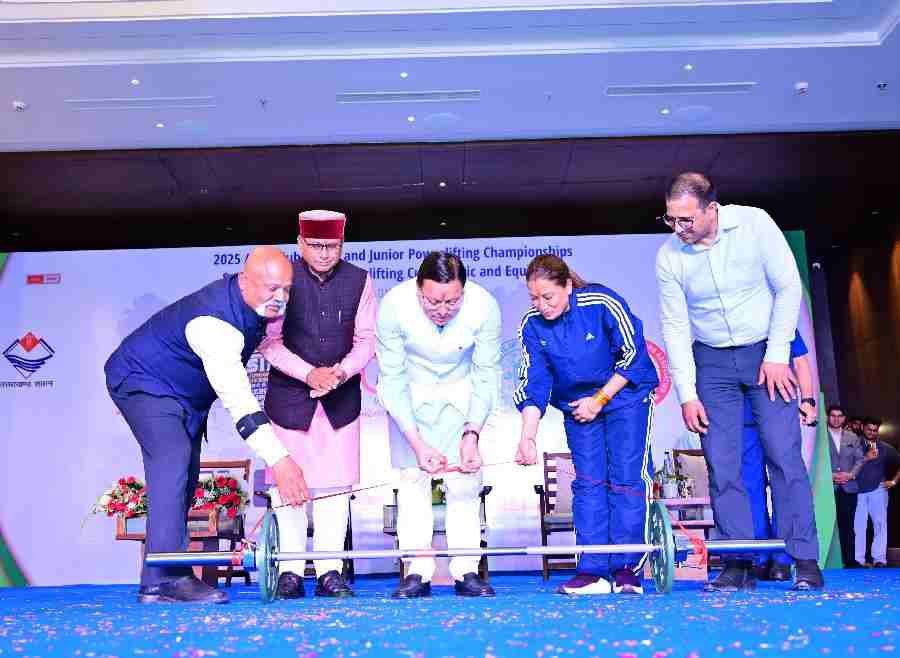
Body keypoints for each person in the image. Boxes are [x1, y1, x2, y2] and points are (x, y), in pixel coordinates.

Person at [105, 246, 308, 604]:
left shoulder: (251, 308)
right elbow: (240, 402)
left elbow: (266, 347)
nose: (280, 298)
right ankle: (168, 580)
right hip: (144, 380)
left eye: (286, 290)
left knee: (183, 475)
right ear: (244, 281)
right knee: (173, 461)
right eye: (271, 288)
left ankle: (157, 579)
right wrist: (280, 460)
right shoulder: (215, 325)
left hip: (180, 393)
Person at [655, 172, 823, 591]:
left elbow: (787, 288)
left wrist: (778, 354)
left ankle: (804, 560)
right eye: (671, 219)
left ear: (711, 209)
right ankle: (738, 562)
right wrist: (687, 394)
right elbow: (675, 326)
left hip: (766, 354)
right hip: (711, 363)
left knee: (783, 455)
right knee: (723, 463)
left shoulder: (755, 223)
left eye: (686, 219)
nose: (678, 228)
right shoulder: (669, 256)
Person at [514, 254, 659, 595]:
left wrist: (600, 399)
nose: (541, 305)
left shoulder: (601, 302)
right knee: (589, 483)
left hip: (625, 398)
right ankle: (592, 570)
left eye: (548, 297)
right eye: (534, 298)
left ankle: (625, 568)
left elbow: (634, 355)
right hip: (579, 407)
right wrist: (527, 438)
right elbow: (534, 382)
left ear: (567, 286)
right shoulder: (531, 326)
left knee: (625, 478)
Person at [259, 210, 376, 598]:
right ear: (300, 243)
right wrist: (309, 373)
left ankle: (329, 572)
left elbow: (367, 340)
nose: (325, 253)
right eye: (316, 245)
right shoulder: (283, 278)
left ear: (342, 244)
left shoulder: (360, 280)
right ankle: (289, 572)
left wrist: (341, 372)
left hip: (340, 401)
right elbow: (269, 343)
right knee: (288, 488)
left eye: (332, 246)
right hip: (289, 401)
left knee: (335, 490)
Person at [376, 252, 501, 598]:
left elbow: (487, 374)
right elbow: (392, 378)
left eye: (452, 301)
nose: (443, 309)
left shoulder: (484, 306)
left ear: (464, 291)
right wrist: (417, 443)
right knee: (412, 483)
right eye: (433, 301)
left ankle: (467, 571)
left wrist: (472, 432)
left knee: (465, 485)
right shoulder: (394, 305)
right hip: (410, 402)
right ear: (418, 290)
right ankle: (417, 572)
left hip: (462, 398)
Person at [742, 329, 816, 581]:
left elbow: (800, 360)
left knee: (785, 481)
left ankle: (784, 558)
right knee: (749, 487)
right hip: (741, 417)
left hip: (778, 408)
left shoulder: (778, 318)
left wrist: (808, 400)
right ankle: (759, 556)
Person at [850, 418, 900, 568]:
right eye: (869, 429)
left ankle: (879, 559)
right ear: (862, 427)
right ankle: (858, 560)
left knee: (880, 525)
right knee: (858, 527)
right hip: (857, 491)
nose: (872, 432)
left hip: (879, 489)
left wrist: (894, 481)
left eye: (875, 430)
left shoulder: (885, 448)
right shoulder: (853, 444)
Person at [827, 404, 864, 567]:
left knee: (848, 524)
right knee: (827, 524)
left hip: (848, 487)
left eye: (839, 416)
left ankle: (849, 560)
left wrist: (850, 475)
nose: (836, 419)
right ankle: (828, 560)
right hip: (827, 488)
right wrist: (829, 476)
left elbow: (860, 460)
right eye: (833, 415)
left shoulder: (852, 437)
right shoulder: (820, 436)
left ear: (844, 418)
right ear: (827, 417)